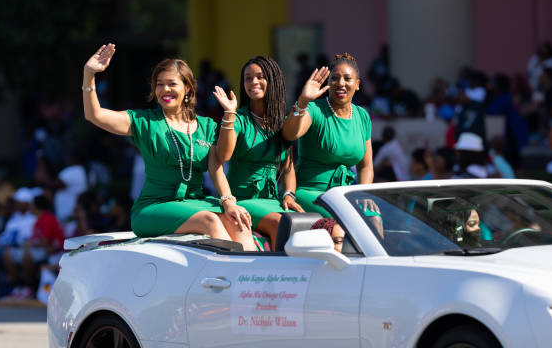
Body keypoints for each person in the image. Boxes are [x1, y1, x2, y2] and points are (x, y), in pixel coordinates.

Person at [82, 44, 256, 251]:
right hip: (154, 207)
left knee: (239, 221)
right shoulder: (144, 122)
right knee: (210, 221)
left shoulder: (207, 126)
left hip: (195, 203)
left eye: (171, 84)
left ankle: (254, 278)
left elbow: (216, 167)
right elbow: (95, 115)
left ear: (187, 88)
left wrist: (228, 202)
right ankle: (231, 275)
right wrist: (89, 74)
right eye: (159, 84)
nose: (164, 90)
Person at [213, 56, 304, 249]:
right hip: (243, 200)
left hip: (272, 200)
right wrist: (229, 114)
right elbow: (223, 157)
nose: (253, 82)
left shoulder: (280, 122)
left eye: (260, 77)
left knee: (306, 222)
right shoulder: (239, 119)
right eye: (248, 78)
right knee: (282, 224)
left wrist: (289, 194)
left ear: (273, 81)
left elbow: (288, 168)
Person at [282, 53, 381, 229]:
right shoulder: (314, 110)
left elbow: (365, 167)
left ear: (357, 84)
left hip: (345, 193)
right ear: (328, 83)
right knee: (349, 223)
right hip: (312, 192)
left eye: (347, 78)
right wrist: (303, 101)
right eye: (334, 78)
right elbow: (289, 134)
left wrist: (363, 193)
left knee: (374, 219)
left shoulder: (362, 116)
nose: (341, 83)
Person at [2, 195, 64, 299]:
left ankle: (29, 287)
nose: (30, 207)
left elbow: (44, 242)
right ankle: (17, 286)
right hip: (39, 250)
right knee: (7, 254)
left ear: (36, 206)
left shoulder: (48, 218)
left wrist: (29, 245)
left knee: (27, 254)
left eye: (31, 205)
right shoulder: (37, 221)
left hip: (54, 253)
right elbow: (34, 241)